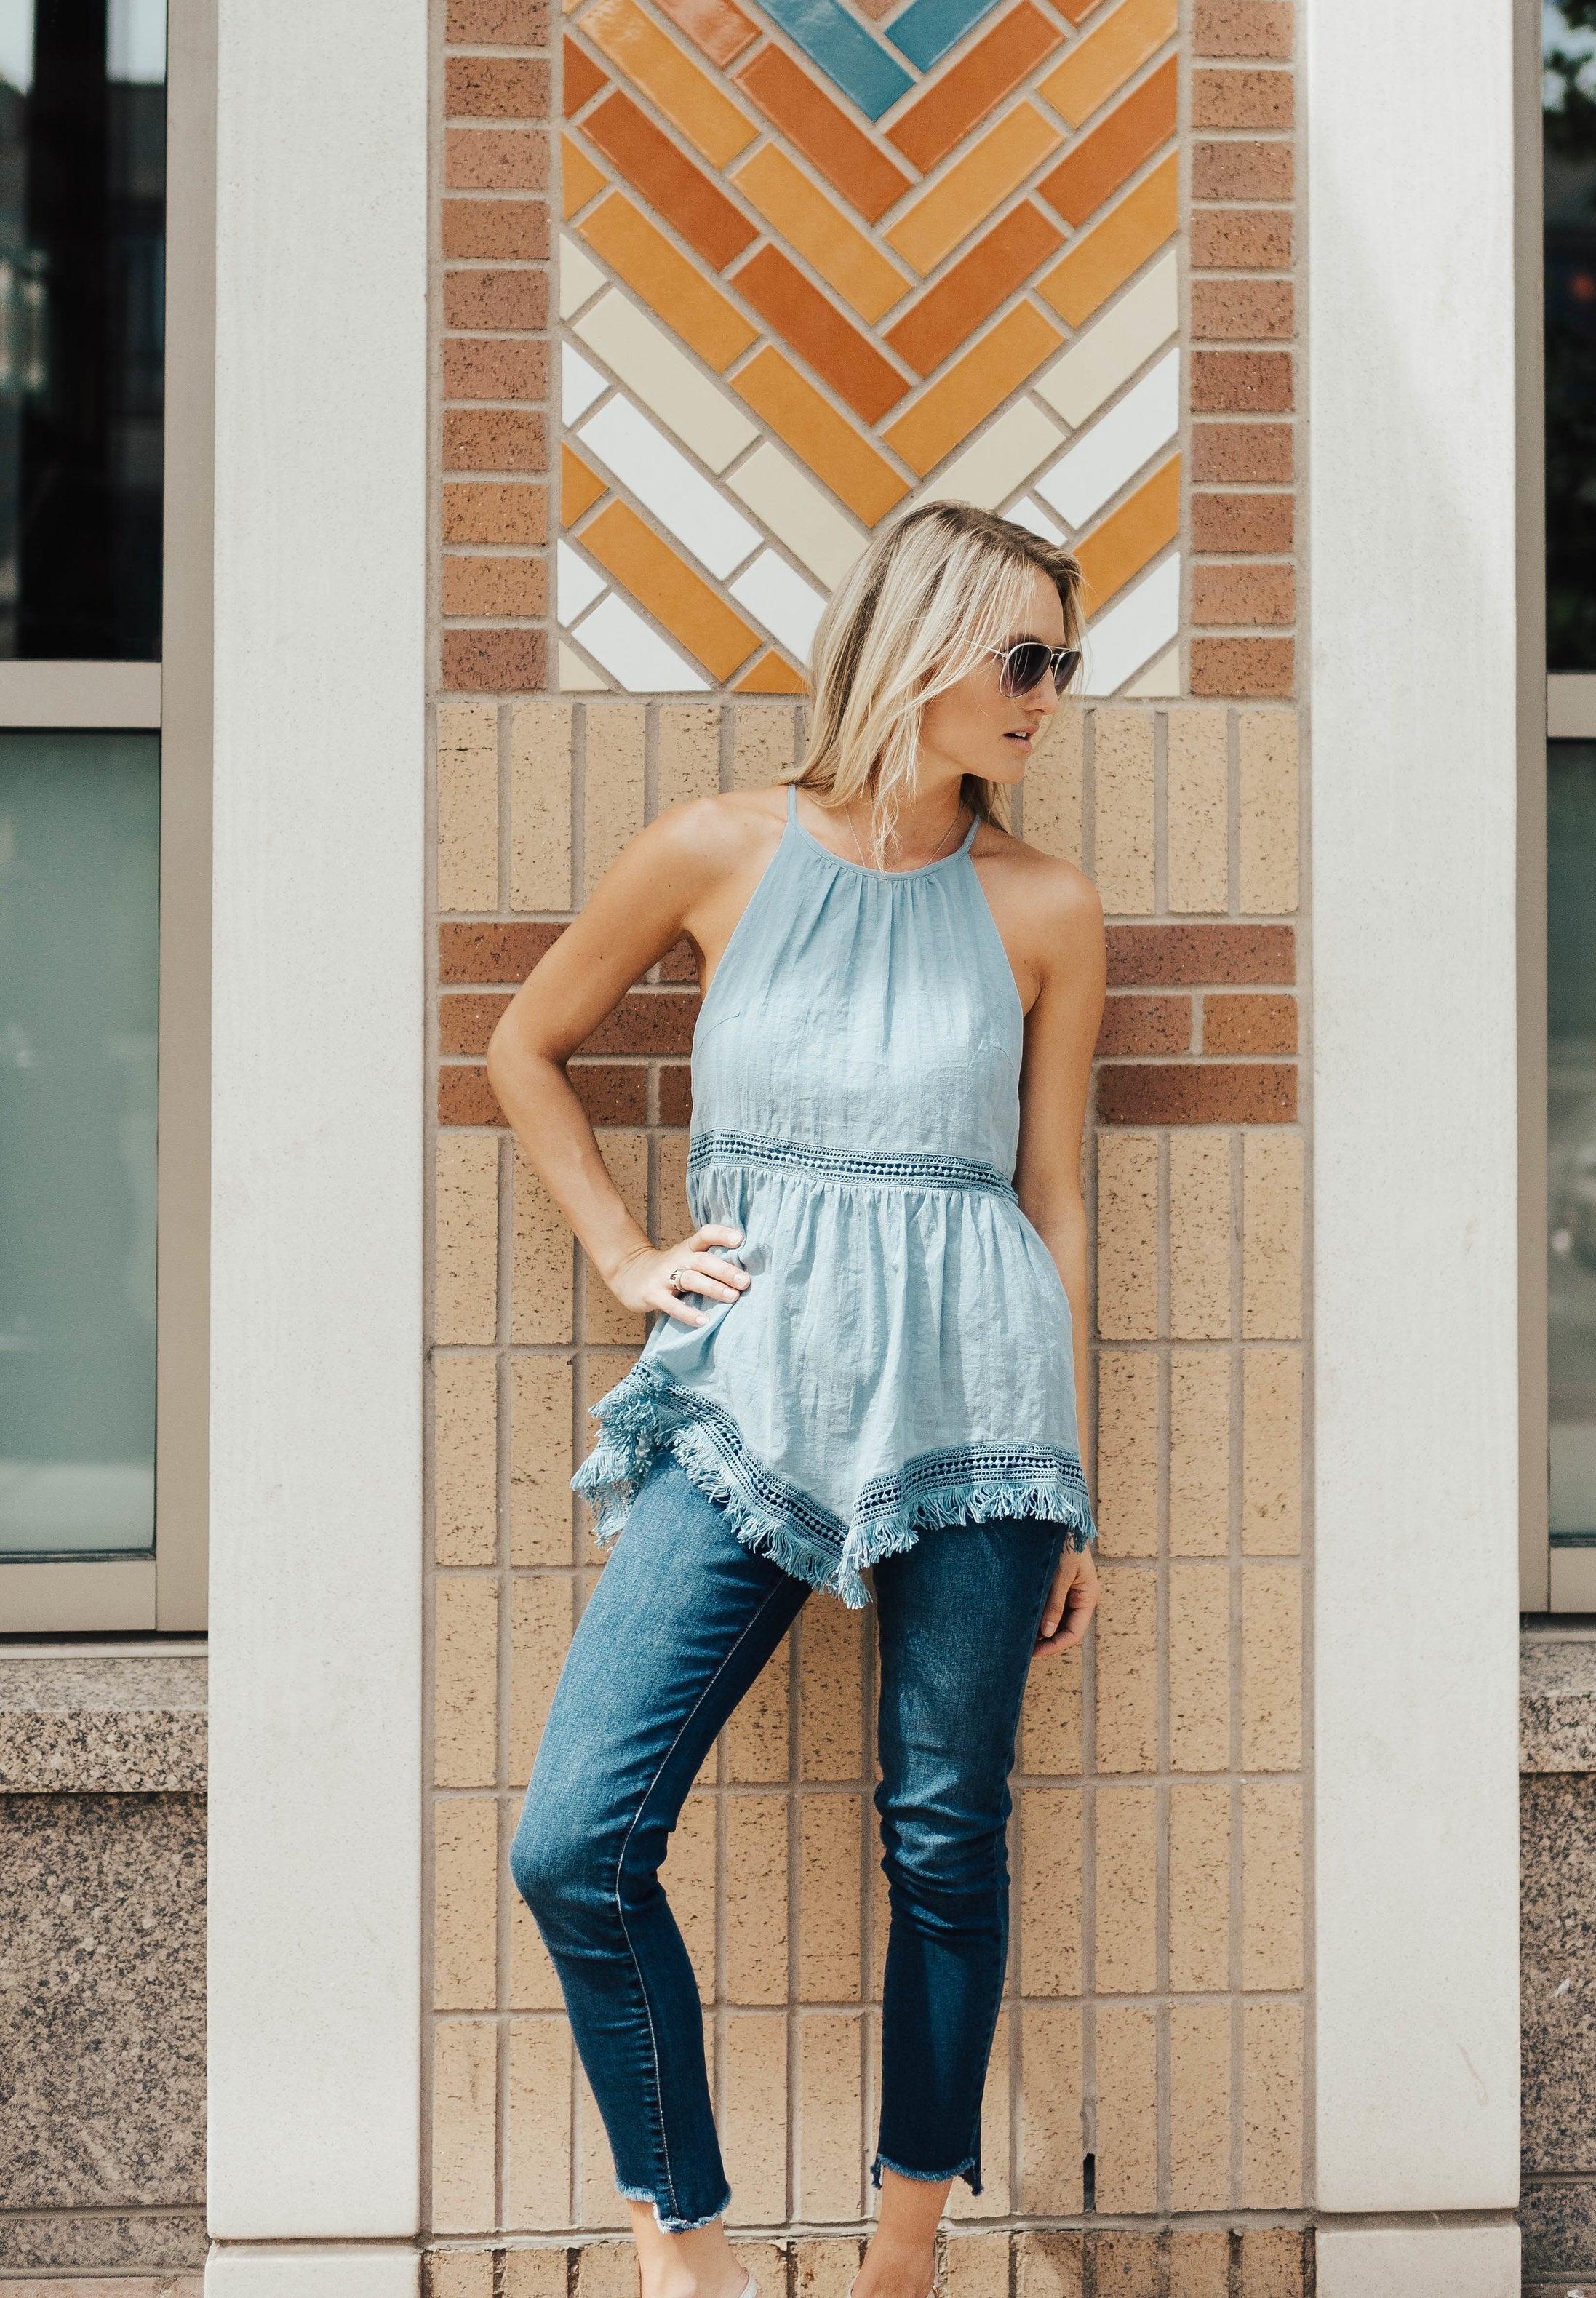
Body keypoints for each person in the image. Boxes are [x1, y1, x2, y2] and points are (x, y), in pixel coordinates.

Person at [492, 502, 1104, 2298]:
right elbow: (525, 1045)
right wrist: (620, 1253)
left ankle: (901, 2259)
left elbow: (1051, 1196)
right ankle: (684, 2246)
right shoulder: (715, 850)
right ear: (916, 642)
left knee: (942, 1835)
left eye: (1060, 661)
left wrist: (1072, 1488)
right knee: (575, 1840)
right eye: (1020, 658)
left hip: (982, 1406)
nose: (1046, 694)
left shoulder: (1047, 908)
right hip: (750, 1396)